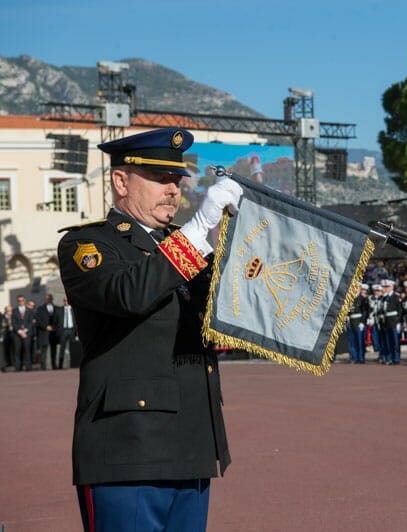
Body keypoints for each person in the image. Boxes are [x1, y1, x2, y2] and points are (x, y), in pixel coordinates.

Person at [57, 127, 242, 531]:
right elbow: (130, 293)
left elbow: (226, 317)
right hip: (127, 451)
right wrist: (200, 230)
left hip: (192, 443)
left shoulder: (187, 245)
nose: (173, 190)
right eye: (159, 179)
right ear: (120, 181)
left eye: (176, 180)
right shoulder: (87, 245)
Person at [35, 293, 60, 370]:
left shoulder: (57, 308)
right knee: (44, 351)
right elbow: (38, 321)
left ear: (52, 299)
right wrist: (46, 327)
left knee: (54, 350)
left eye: (50, 299)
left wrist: (54, 327)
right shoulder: (40, 309)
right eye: (47, 299)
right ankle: (43, 366)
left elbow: (59, 320)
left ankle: (54, 365)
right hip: (44, 332)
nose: (48, 300)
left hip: (54, 332)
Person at [11, 294, 34, 371]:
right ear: (17, 301)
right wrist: (20, 331)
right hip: (17, 334)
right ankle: (18, 367)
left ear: (25, 301)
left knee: (27, 350)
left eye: (22, 300)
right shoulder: (14, 311)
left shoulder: (30, 310)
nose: (21, 302)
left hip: (27, 333)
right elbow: (13, 322)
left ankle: (28, 367)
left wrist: (25, 330)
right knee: (17, 351)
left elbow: (31, 322)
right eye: (19, 301)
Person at [57, 296, 77, 369]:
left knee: (73, 348)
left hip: (72, 330)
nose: (66, 302)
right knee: (62, 348)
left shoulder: (73, 309)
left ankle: (74, 363)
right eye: (65, 300)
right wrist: (59, 331)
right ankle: (60, 365)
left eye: (67, 300)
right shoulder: (60, 310)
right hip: (63, 330)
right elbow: (56, 321)